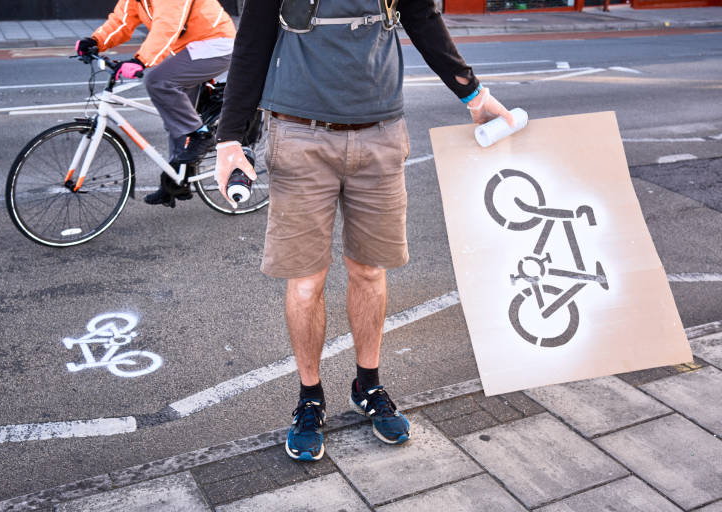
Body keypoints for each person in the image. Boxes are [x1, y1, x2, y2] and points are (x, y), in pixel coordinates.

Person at [214, 0, 514, 461]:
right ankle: (310, 398)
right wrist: (231, 138)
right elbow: (251, 41)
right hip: (299, 134)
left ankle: (368, 386)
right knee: (306, 281)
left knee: (370, 271)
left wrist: (473, 95)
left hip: (380, 133)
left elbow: (422, 18)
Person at [75, 0, 236, 207]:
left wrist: (140, 60)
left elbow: (168, 24)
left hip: (215, 44)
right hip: (187, 49)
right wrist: (96, 40)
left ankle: (201, 135)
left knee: (157, 81)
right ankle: (176, 181)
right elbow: (122, 21)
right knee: (175, 120)